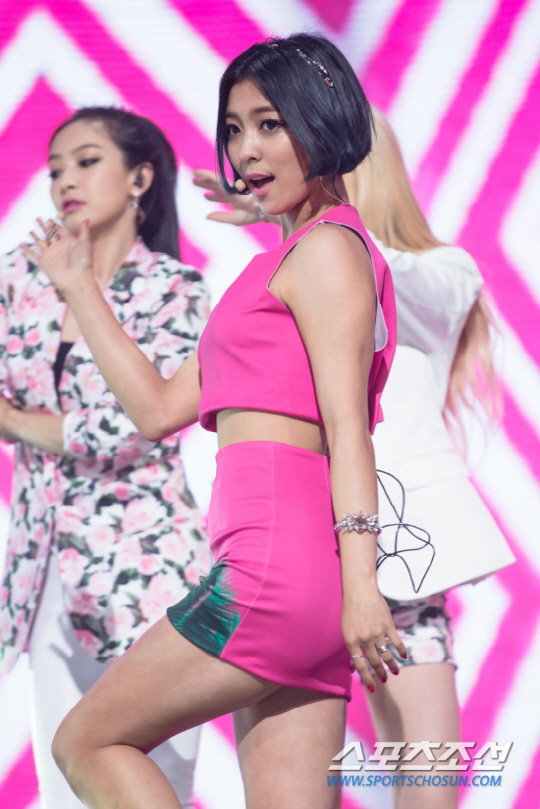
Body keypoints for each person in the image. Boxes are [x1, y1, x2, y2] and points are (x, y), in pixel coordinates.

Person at [26, 34, 407, 809]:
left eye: (269, 124)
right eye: (234, 129)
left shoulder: (327, 251)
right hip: (298, 578)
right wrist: (81, 287)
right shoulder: (291, 258)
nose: (245, 149)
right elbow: (159, 408)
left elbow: (348, 427)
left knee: (85, 741)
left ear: (323, 118)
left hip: (271, 571)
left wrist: (365, 586)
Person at [195, 109, 515, 809]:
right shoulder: (295, 265)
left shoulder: (440, 271)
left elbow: (372, 271)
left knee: (425, 781)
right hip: (304, 547)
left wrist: (305, 222)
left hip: (399, 555)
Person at [0, 107, 211, 809]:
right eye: (55, 168)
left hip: (147, 569)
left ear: (140, 178)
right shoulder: (19, 276)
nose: (65, 180)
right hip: (42, 573)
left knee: (158, 783)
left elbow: (133, 426)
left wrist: (14, 421)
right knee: (64, 789)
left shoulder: (176, 289)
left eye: (87, 161)